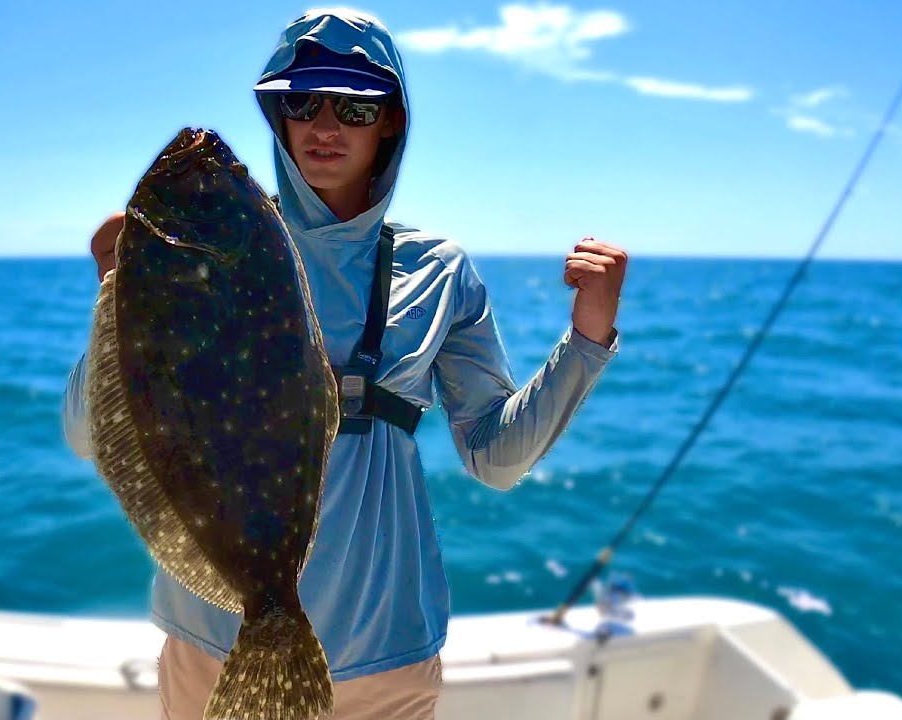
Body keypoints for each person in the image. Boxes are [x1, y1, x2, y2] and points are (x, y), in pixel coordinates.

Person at [63, 8, 627, 720]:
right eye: (302, 103)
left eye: (354, 107)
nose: (325, 127)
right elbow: (93, 436)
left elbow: (497, 456)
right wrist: (123, 292)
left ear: (389, 120)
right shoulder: (200, 249)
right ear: (278, 115)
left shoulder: (439, 270)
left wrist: (588, 336)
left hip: (383, 649)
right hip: (212, 641)